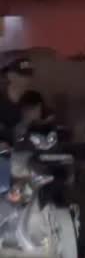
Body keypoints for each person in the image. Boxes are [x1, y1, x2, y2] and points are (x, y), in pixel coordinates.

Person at [0, 54, 34, 194]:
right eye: (21, 75)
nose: (25, 80)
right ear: (10, 76)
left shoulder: (32, 100)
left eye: (28, 75)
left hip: (24, 156)